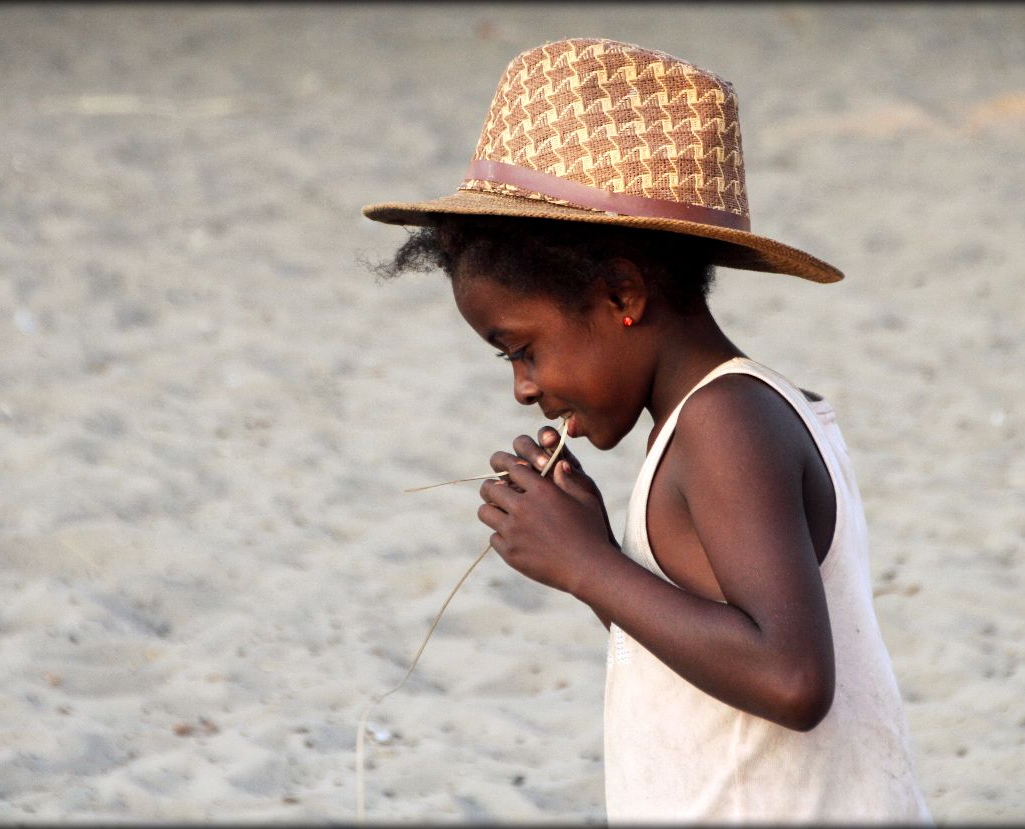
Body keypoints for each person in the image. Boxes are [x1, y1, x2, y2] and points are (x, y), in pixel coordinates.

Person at [362, 38, 930, 822]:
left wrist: (590, 565)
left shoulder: (729, 421)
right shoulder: (706, 421)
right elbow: (698, 657)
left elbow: (792, 679)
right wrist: (599, 554)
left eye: (524, 351)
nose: (524, 388)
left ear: (623, 293)